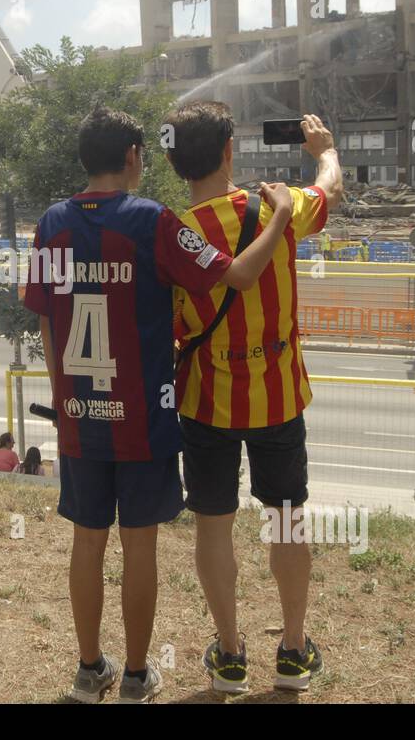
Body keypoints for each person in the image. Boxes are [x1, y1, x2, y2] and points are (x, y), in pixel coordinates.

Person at [24, 107, 293, 704]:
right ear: (132, 158)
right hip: (142, 417)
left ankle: (89, 669)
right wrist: (277, 218)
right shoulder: (154, 223)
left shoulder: (49, 225)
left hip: (79, 416)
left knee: (87, 541)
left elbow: (45, 320)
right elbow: (241, 275)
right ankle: (139, 676)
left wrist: (66, 396)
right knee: (138, 542)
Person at [164, 103, 343, 693]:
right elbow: (330, 191)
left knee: (213, 527)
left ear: (174, 162)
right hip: (278, 398)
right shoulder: (278, 207)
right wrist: (324, 151)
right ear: (229, 151)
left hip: (204, 404)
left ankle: (231, 654)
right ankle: (292, 650)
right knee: (286, 520)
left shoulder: (176, 234)